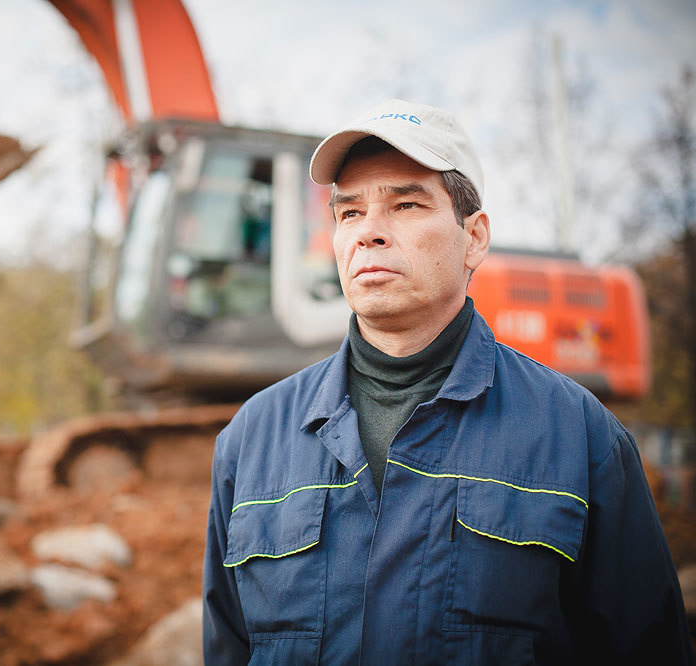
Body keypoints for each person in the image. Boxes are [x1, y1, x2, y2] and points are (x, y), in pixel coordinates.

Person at [201, 99, 693, 665]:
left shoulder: (582, 439)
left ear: (475, 237)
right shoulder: (250, 439)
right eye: (349, 213)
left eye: (406, 204)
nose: (370, 234)